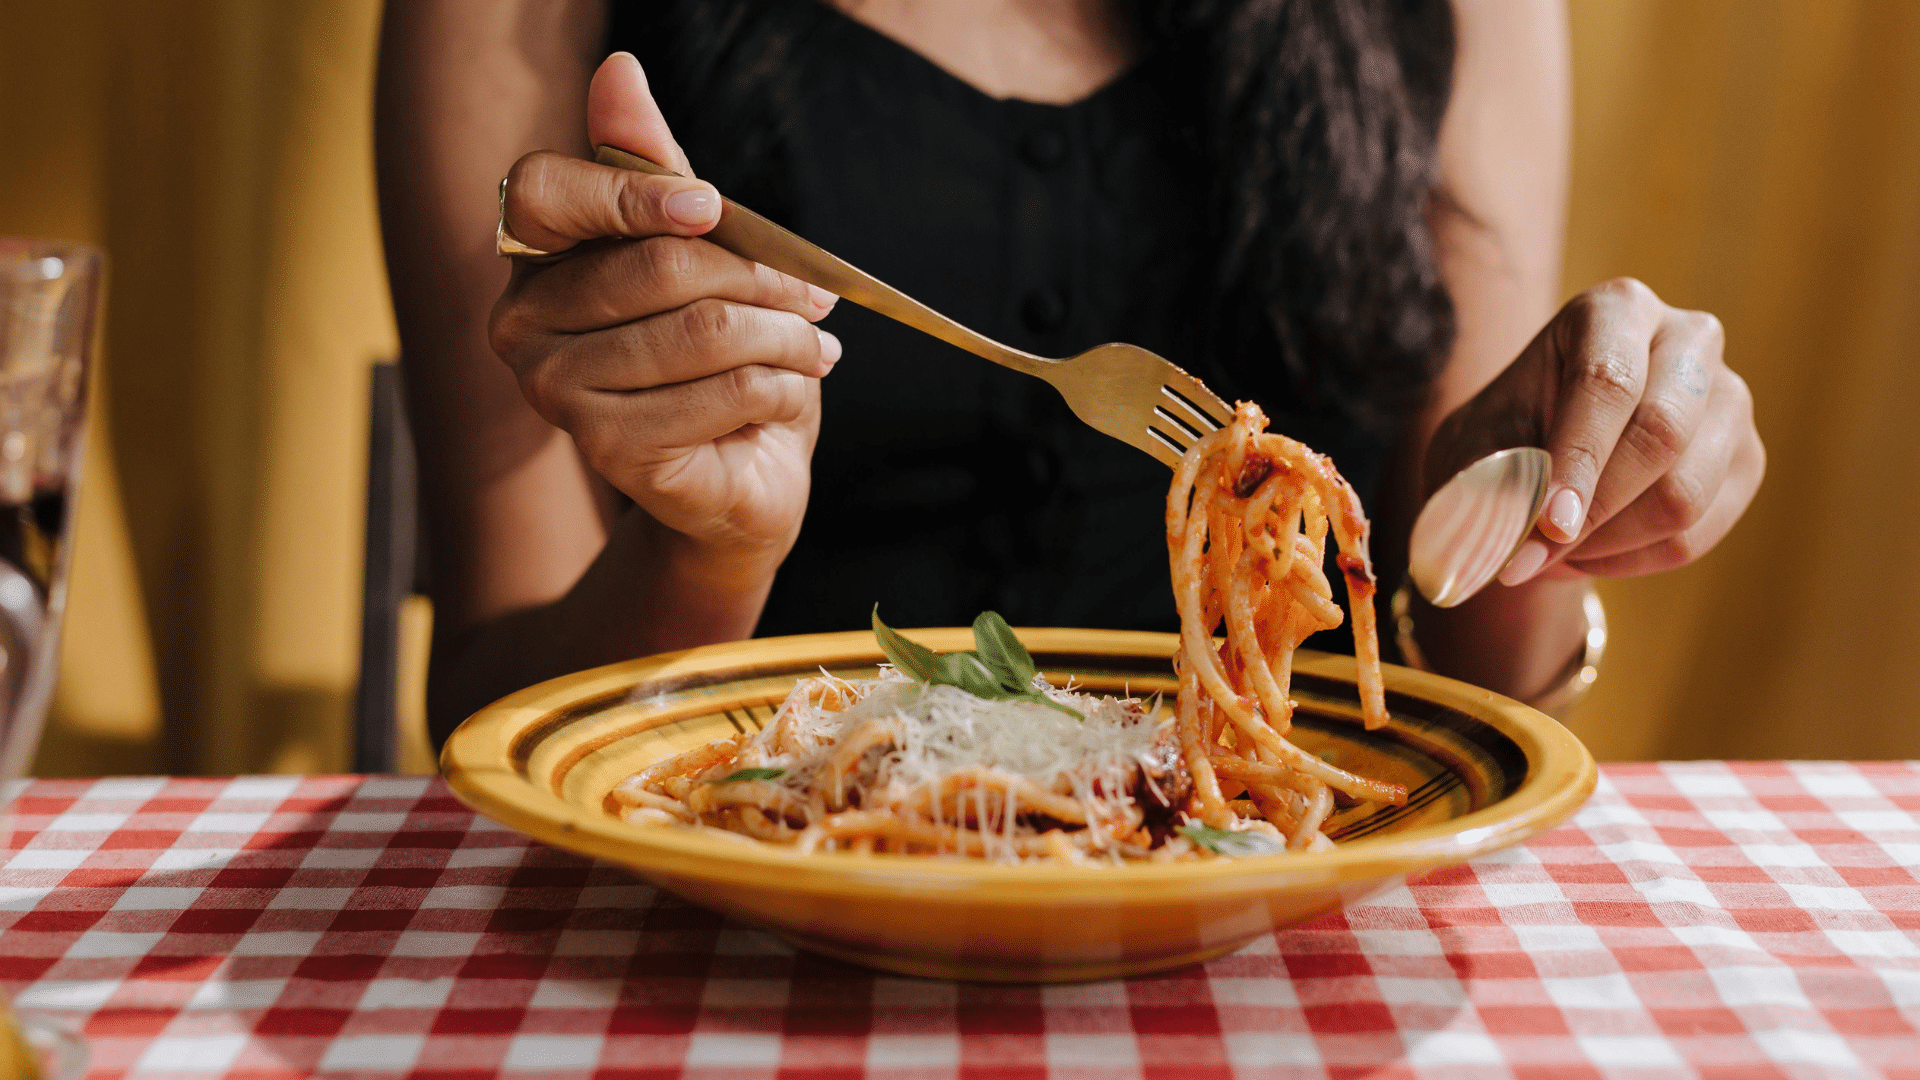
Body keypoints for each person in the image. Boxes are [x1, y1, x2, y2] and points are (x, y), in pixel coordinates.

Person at [377, 0, 1765, 743]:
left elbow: (1459, 646)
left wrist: (1554, 508)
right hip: (752, 919)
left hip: (1285, 927)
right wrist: (703, 555)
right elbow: (488, 711)